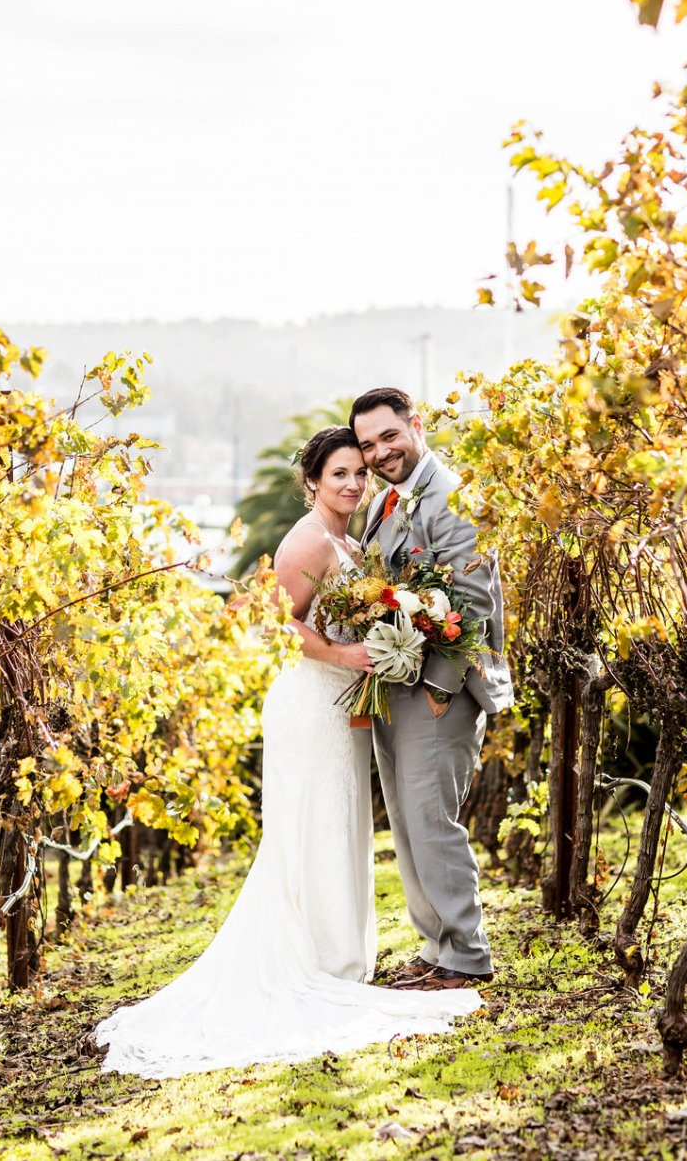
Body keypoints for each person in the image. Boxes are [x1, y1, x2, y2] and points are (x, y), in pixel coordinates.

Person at [95, 425, 483, 1077]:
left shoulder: (349, 540)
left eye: (360, 473)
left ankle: (340, 957)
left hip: (339, 708)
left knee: (337, 828)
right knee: (309, 829)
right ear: (312, 482)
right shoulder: (305, 538)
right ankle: (319, 961)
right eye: (340, 474)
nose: (354, 483)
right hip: (307, 703)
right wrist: (344, 654)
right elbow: (272, 619)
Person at [350, 387, 513, 991]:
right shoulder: (388, 500)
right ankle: (435, 947)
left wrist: (442, 690)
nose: (379, 452)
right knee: (407, 820)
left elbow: (473, 600)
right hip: (397, 684)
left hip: (440, 689)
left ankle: (465, 956)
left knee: (432, 820)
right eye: (367, 445)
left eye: (389, 436)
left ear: (415, 425)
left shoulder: (451, 496)